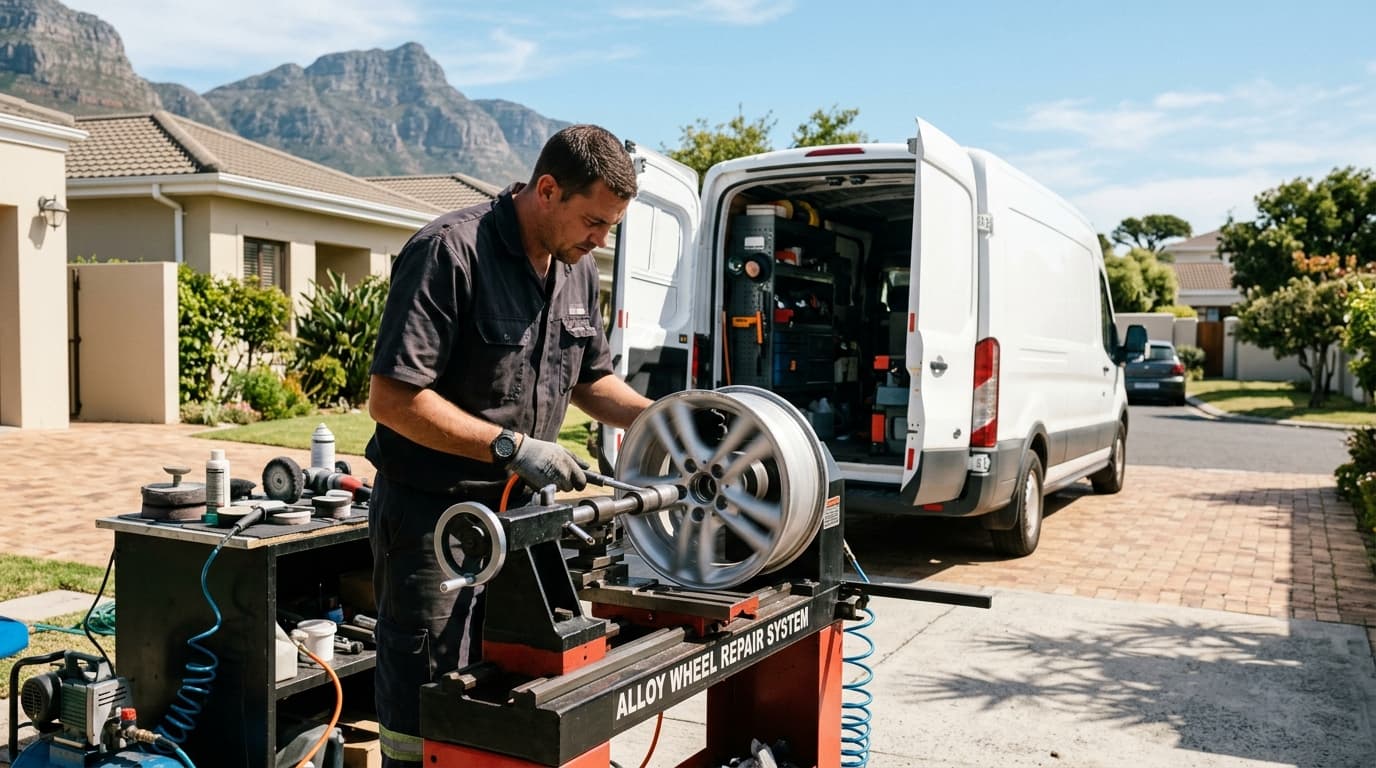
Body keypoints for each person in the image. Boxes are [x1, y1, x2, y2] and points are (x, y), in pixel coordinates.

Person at [364, 124, 653, 767]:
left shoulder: (576, 269)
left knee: (510, 696)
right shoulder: (449, 252)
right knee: (426, 705)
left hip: (522, 522)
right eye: (593, 221)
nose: (600, 239)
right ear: (546, 189)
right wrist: (511, 447)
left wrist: (663, 419)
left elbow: (591, 379)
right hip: (435, 523)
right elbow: (393, 400)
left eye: (609, 227)